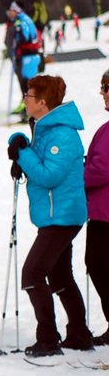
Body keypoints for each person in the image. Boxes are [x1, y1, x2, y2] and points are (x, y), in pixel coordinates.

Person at [8, 75, 92, 357]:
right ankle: (79, 334)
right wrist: (20, 145)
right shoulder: (46, 129)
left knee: (32, 273)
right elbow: (37, 160)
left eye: (28, 96)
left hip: (63, 216)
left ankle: (47, 338)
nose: (25, 100)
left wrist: (22, 156)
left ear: (42, 103)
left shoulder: (62, 134)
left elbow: (49, 174)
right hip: (57, 215)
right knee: (60, 277)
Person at [85, 70, 109, 345]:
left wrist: (76, 178)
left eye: (106, 87)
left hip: (105, 214)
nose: (102, 92)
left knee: (99, 264)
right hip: (101, 211)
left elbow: (101, 171)